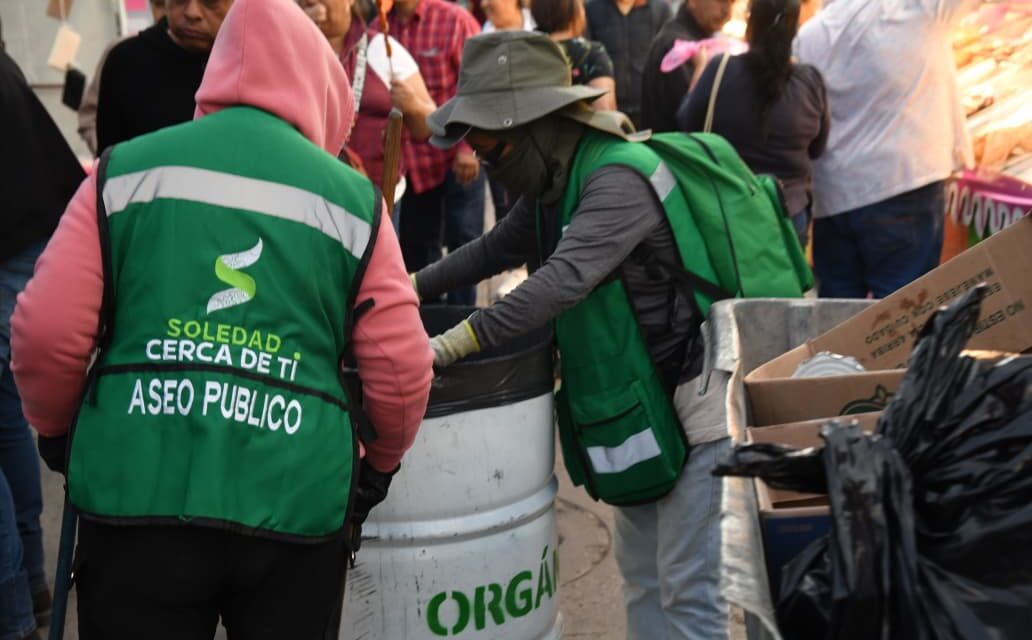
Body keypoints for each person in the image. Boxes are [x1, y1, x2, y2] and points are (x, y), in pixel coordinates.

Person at [11, 0, 433, 636]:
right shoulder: (353, 203)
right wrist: (376, 465)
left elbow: (43, 332)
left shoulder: (122, 173)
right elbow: (402, 370)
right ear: (319, 86)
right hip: (296, 503)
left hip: (135, 495)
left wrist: (59, 431)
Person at [414, 31, 731, 639]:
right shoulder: (553, 182)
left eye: (494, 149)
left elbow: (560, 283)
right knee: (643, 575)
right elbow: (488, 251)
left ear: (539, 124)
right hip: (645, 398)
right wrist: (400, 288)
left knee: (691, 589)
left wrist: (446, 346)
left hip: (700, 395)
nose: (486, 164)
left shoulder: (618, 179)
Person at [795, 0, 977, 298]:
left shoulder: (809, 36)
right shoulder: (917, 8)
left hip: (834, 196)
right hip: (901, 184)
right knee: (900, 316)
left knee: (840, 319)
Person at [0, 22, 85, 640]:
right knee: (8, 422)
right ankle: (29, 583)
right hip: (31, 228)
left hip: (19, 236)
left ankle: (13, 610)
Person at [678, 0, 829, 247]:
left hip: (730, 211)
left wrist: (698, 73)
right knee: (784, 285)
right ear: (794, 29)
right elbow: (818, 148)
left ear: (751, 23)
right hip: (789, 216)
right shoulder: (810, 82)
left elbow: (687, 124)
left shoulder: (720, 69)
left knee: (731, 286)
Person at [373, 0, 484, 304]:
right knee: (420, 250)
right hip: (414, 165)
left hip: (457, 157)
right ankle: (428, 328)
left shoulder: (454, 21)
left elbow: (477, 88)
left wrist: (466, 147)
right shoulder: (379, 28)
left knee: (465, 242)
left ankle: (463, 319)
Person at [299, 0, 436, 192]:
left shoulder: (381, 48)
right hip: (309, 191)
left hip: (377, 197)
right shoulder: (290, 50)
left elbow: (428, 127)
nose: (310, 1)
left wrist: (412, 106)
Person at [95, 0, 234, 152]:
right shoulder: (126, 62)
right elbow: (110, 163)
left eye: (210, 2)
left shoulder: (253, 64)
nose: (192, 13)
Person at [78, 0, 168, 155]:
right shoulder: (123, 55)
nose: (167, 13)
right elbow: (89, 116)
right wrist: (114, 159)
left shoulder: (216, 58)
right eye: (160, 4)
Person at [641, 0, 732, 133]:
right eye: (721, 1)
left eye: (732, 2)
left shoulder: (699, 40)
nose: (727, 11)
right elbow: (692, 119)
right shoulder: (679, 47)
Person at [584, 0, 670, 128]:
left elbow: (669, 57)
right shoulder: (591, 10)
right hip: (607, 112)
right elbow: (585, 56)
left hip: (650, 110)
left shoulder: (660, 10)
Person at [532, 0, 617, 111]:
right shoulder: (592, 53)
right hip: (581, 127)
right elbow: (605, 109)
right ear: (575, 12)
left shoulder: (527, 51)